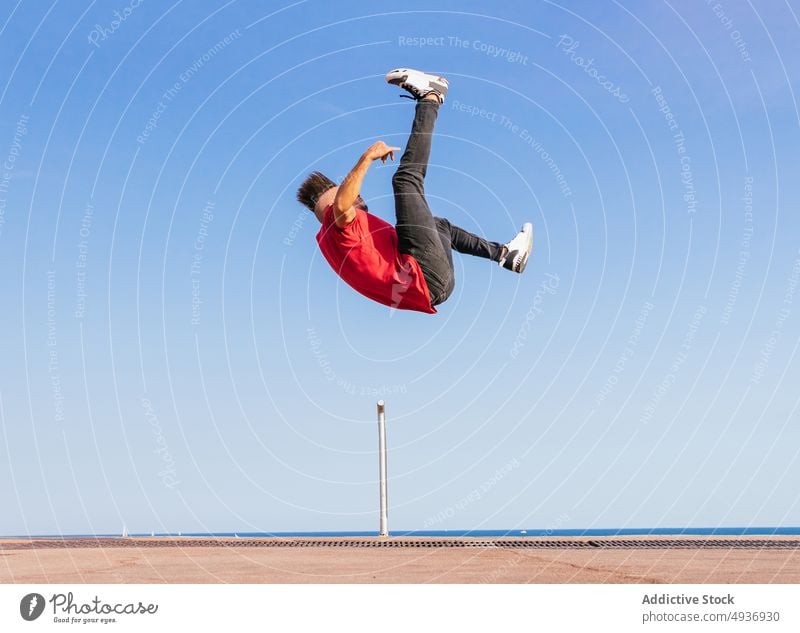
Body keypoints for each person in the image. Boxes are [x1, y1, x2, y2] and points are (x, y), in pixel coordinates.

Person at [296, 68, 533, 314]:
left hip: (435, 286)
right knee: (405, 179)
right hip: (425, 275)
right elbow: (342, 206)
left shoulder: (335, 241)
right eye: (348, 193)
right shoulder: (337, 226)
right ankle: (431, 97)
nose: (357, 195)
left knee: (439, 225)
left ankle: (506, 255)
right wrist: (366, 158)